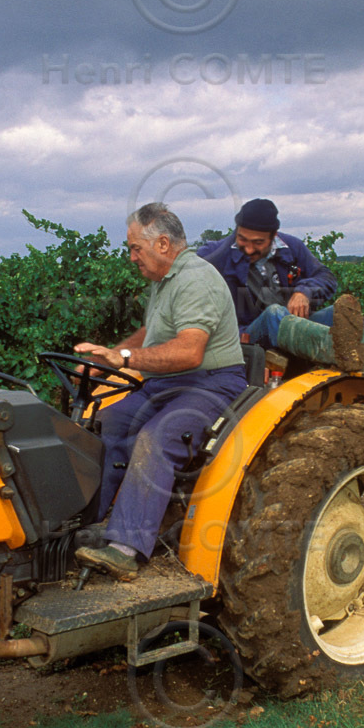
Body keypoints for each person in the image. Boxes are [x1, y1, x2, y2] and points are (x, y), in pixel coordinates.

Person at [73, 203, 249, 581]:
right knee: (107, 424)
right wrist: (105, 360)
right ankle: (81, 525)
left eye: (136, 248)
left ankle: (126, 550)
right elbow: (150, 336)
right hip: (171, 382)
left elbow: (189, 350)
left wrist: (123, 358)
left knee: (157, 436)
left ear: (164, 244)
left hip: (213, 381)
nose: (132, 256)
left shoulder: (196, 279)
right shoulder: (164, 282)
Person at [197, 198, 338, 348]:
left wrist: (304, 292)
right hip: (248, 334)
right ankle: (327, 352)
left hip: (295, 327)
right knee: (275, 314)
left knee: (338, 314)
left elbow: (326, 277)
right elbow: (189, 278)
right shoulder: (215, 254)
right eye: (242, 239)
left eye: (258, 242)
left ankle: (349, 356)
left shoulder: (292, 247)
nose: (249, 249)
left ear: (274, 235)